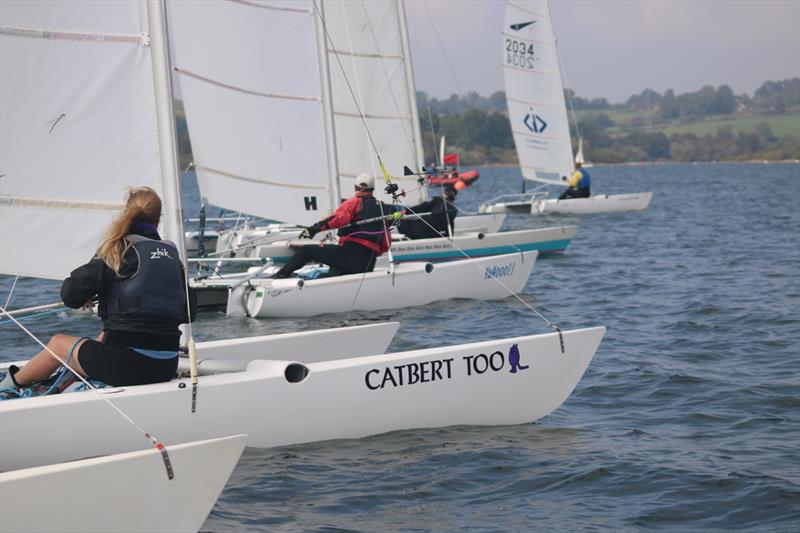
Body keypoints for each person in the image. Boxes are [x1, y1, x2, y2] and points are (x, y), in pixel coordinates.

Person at [0, 187, 192, 394]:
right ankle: (58, 385)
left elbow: (70, 295)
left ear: (126, 213)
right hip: (166, 366)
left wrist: (93, 293)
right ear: (158, 219)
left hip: (128, 367)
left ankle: (9, 387)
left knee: (57, 344)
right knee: (102, 338)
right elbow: (190, 313)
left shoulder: (119, 249)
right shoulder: (174, 258)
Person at [271, 173, 397, 278]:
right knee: (333, 270)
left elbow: (339, 219)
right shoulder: (382, 209)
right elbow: (386, 244)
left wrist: (314, 229)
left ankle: (280, 275)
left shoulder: (354, 203)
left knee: (307, 250)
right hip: (367, 263)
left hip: (350, 255)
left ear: (355, 187)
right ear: (372, 189)